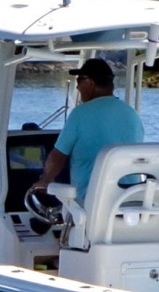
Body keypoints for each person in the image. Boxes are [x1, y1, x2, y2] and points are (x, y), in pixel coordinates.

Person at [33, 57, 143, 201]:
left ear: (90, 83)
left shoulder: (80, 114)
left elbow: (57, 157)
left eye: (79, 81)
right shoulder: (132, 114)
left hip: (90, 206)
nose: (77, 87)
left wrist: (46, 180)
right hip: (129, 203)